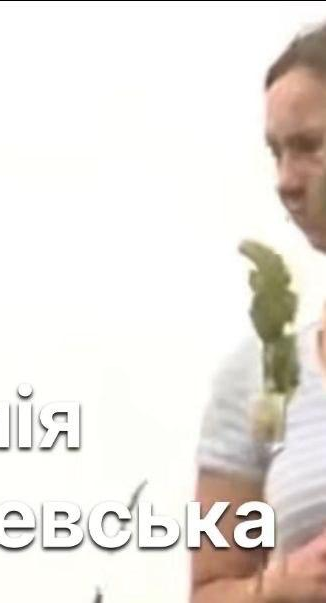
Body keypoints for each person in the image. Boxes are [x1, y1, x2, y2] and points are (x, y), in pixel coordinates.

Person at [193, 22, 326, 602]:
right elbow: (208, 589)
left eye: (309, 147)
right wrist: (279, 587)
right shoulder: (255, 379)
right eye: (277, 152)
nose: (285, 181)